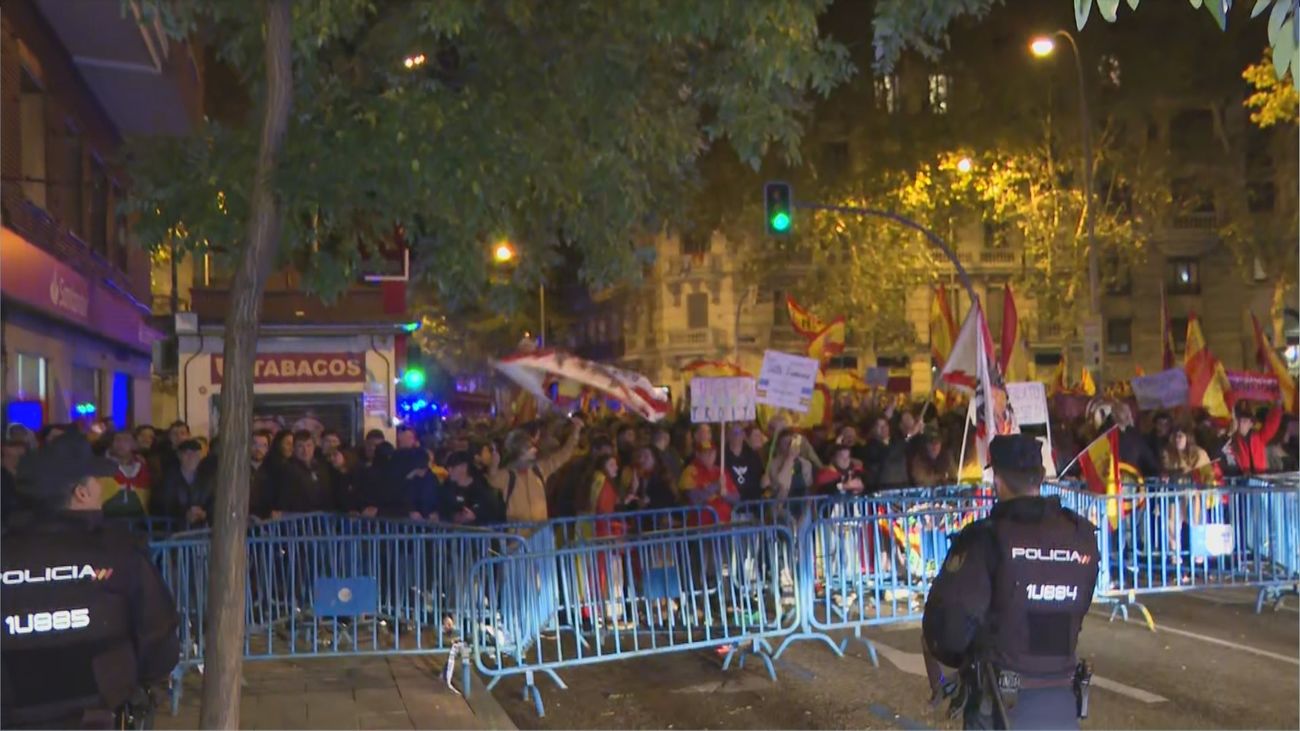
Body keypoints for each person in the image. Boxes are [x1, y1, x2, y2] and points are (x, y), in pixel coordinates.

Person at [1, 432, 178, 728]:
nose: (101, 488)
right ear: (80, 493)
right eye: (96, 481)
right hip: (97, 717)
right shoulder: (117, 553)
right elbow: (159, 639)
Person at [923, 433, 1099, 730]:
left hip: (1000, 705)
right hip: (1061, 701)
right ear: (1041, 477)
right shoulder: (1080, 534)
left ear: (997, 480)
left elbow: (949, 627)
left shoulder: (985, 539)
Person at [487, 416, 584, 524]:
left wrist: (575, 432)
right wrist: (494, 464)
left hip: (540, 533)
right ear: (519, 450)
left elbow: (563, 455)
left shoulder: (539, 469)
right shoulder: (508, 475)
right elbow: (493, 479)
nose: (535, 450)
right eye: (530, 447)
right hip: (519, 536)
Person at [677, 439, 739, 525]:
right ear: (698, 454)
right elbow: (694, 499)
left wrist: (726, 495)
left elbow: (736, 498)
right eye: (706, 453)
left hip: (724, 524)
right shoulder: (690, 472)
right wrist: (716, 486)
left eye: (713, 452)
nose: (710, 455)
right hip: (701, 526)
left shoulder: (721, 471)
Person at [276, 431, 337, 514]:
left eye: (309, 445)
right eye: (300, 446)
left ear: (314, 447)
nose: (305, 450)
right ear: (294, 448)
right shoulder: (287, 469)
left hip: (324, 519)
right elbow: (284, 499)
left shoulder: (322, 467)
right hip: (300, 520)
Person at [156, 439, 212, 528]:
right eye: (187, 453)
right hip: (173, 529)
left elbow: (212, 503)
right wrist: (185, 514)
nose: (191, 457)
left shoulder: (207, 478)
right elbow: (164, 506)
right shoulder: (169, 478)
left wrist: (204, 514)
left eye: (195, 454)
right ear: (179, 455)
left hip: (201, 529)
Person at [439, 451, 502, 526]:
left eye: (452, 467)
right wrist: (456, 517)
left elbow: (492, 511)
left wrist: (475, 515)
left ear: (464, 467)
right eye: (448, 468)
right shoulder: (446, 488)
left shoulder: (481, 488)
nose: (449, 471)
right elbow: (443, 511)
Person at [99, 431, 152, 519]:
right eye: (117, 440)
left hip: (140, 523)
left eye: (126, 440)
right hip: (107, 521)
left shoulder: (144, 468)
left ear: (134, 444)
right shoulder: (100, 467)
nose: (121, 443)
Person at [1223, 403, 1282, 476]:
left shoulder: (1259, 437)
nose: (1241, 424)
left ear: (1251, 424)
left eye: (1244, 421)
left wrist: (1278, 406)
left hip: (1261, 477)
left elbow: (1272, 425)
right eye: (1239, 421)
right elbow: (1225, 450)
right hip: (1243, 479)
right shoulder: (1233, 440)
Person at [723, 423, 765, 502]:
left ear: (744, 435)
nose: (736, 435)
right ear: (728, 435)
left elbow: (760, 477)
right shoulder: (721, 456)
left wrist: (764, 482)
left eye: (739, 432)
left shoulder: (753, 455)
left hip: (751, 502)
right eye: (734, 432)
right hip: (730, 502)